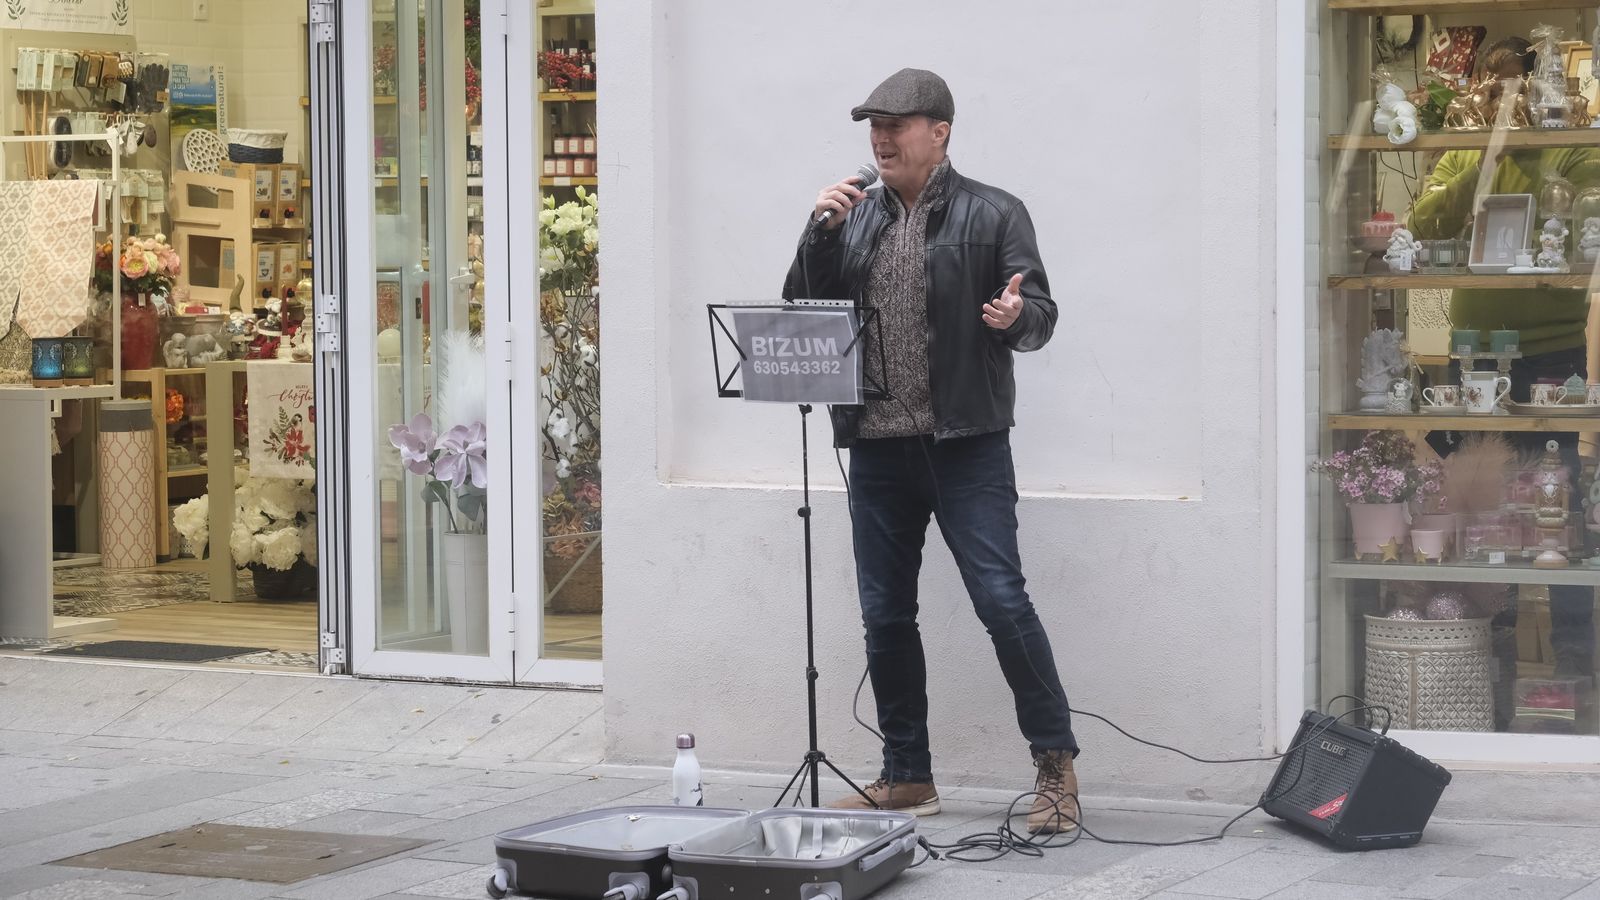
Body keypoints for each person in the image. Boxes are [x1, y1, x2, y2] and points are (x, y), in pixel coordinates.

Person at [780, 68, 1078, 834]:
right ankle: (907, 775)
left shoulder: (994, 212)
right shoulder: (850, 217)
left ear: (939, 132)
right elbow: (801, 315)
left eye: (896, 125)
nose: (880, 138)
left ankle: (1056, 768)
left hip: (965, 445)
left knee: (1002, 600)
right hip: (877, 449)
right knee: (885, 616)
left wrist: (1014, 316)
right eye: (873, 126)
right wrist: (818, 232)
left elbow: (1041, 313)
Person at [1410, 36, 1598, 684]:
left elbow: (1583, 223)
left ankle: (1574, 655)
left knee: (1557, 494)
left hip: (1550, 349)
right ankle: (1485, 643)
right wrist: (1486, 159)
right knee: (1480, 497)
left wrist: (1527, 151)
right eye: (1494, 89)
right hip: (1474, 354)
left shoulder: (1568, 146)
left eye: (1518, 87)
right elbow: (1425, 224)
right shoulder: (1466, 147)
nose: (1505, 100)